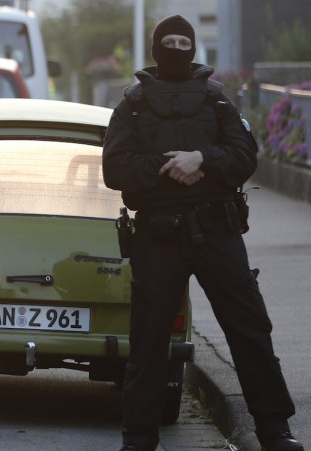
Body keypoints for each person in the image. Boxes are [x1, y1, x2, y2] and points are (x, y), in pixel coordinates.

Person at [103, 16, 303, 451]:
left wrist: (201, 158)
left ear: (193, 49)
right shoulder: (132, 106)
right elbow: (114, 169)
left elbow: (245, 155)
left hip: (217, 231)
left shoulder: (217, 102)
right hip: (157, 237)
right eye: (168, 42)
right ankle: (139, 439)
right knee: (149, 342)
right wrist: (171, 166)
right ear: (156, 49)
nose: (176, 48)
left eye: (183, 41)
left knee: (250, 331)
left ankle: (274, 431)